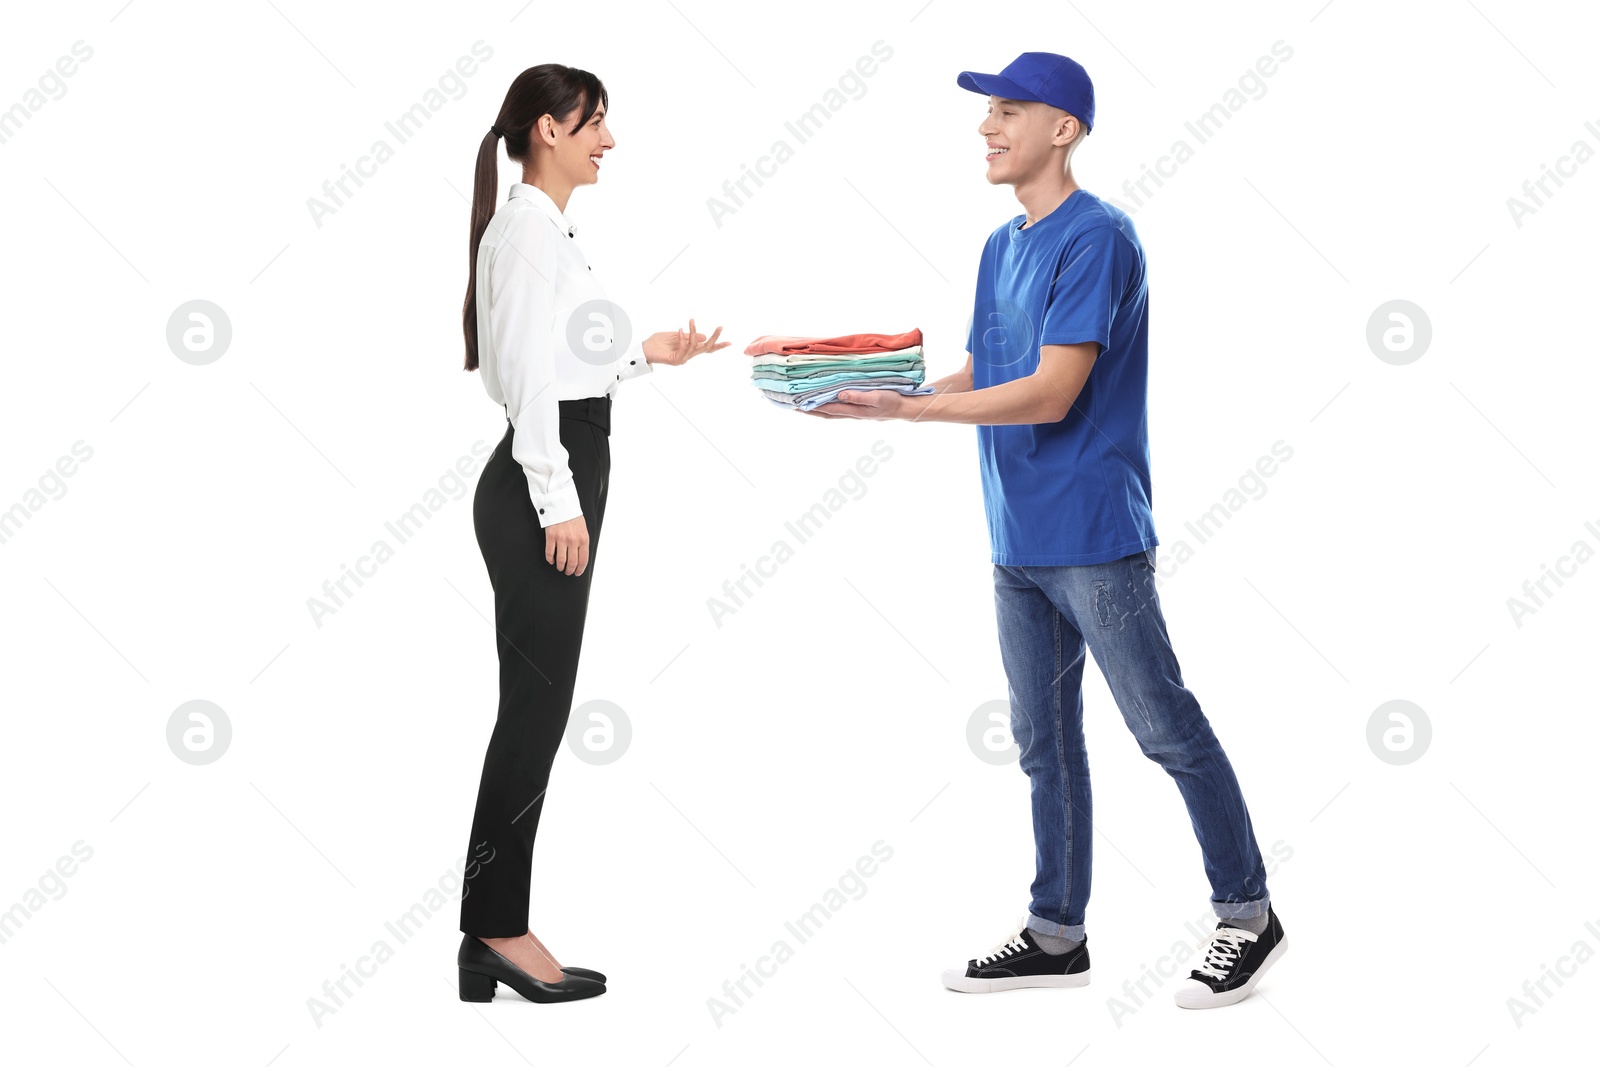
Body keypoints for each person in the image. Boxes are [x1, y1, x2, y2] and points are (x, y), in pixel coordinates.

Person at [804, 51, 1288, 1009]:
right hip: (1016, 538)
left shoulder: (1099, 237)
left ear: (1062, 129)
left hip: (1095, 533)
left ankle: (1249, 914)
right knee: (1043, 744)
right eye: (987, 113)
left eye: (1010, 112)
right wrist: (880, 398)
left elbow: (1054, 390)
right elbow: (988, 368)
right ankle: (1056, 932)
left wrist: (908, 418)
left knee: (1164, 728)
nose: (988, 129)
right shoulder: (1000, 244)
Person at [456, 63, 727, 1004]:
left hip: (557, 466)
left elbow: (564, 357)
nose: (608, 142)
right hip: (547, 481)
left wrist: (646, 351)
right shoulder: (529, 227)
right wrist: (556, 498)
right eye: (594, 124)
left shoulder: (542, 229)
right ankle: (496, 929)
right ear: (547, 129)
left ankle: (490, 930)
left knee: (537, 709)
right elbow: (529, 379)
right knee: (533, 714)